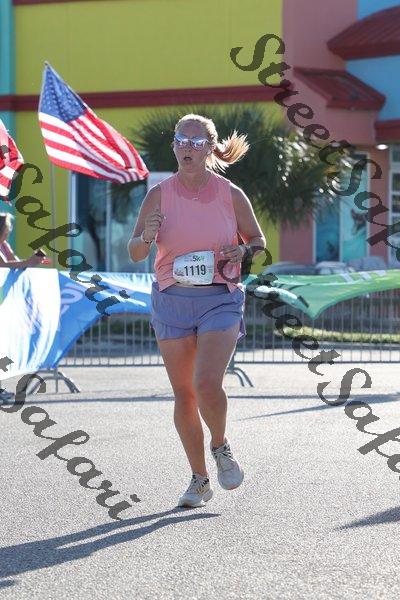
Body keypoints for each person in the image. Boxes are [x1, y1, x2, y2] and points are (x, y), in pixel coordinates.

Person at [128, 113, 266, 508]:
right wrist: (147, 236)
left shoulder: (230, 193)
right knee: (185, 394)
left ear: (209, 149)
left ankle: (220, 445)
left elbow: (258, 241)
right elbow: (135, 252)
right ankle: (199, 479)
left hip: (219, 298)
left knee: (206, 383)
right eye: (181, 140)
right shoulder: (159, 195)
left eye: (196, 142)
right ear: (173, 146)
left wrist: (243, 250)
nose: (187, 147)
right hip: (172, 300)